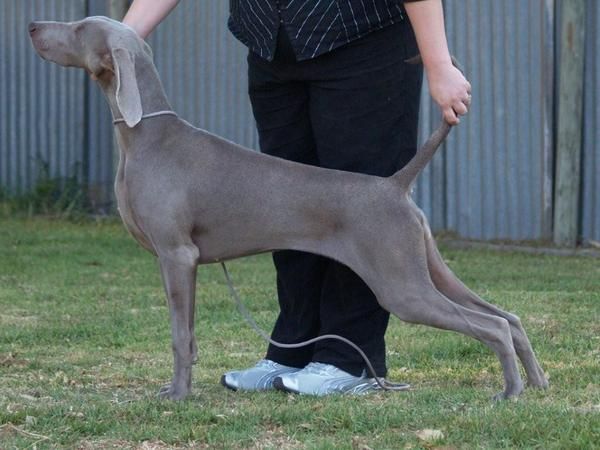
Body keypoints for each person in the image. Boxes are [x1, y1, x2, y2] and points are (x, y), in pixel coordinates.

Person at [123, 0, 471, 396]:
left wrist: (438, 63)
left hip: (363, 45)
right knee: (283, 210)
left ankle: (349, 357)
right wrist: (121, 39)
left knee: (360, 210)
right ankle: (292, 348)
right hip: (272, 53)